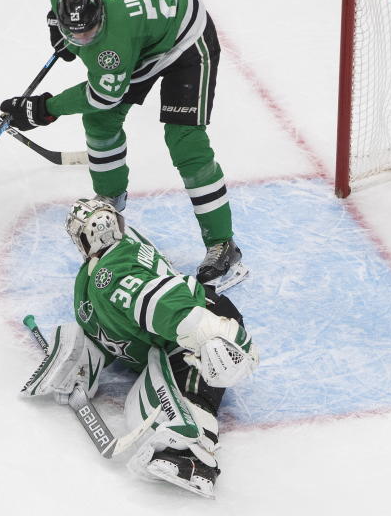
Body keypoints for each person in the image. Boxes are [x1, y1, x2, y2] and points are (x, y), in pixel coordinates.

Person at [0, 0, 246, 290]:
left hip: (185, 39)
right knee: (101, 124)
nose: (83, 38)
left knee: (185, 142)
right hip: (145, 41)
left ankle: (223, 244)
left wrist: (43, 109)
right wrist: (57, 24)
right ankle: (109, 208)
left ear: (101, 11)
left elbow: (101, 94)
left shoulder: (114, 41)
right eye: (75, 31)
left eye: (89, 30)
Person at [22, 198, 259, 499]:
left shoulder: (109, 274)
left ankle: (192, 457)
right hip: (181, 320)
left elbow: (152, 300)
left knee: (184, 386)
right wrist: (84, 360)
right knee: (157, 369)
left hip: (195, 323)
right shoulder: (95, 273)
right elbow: (110, 324)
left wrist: (207, 330)